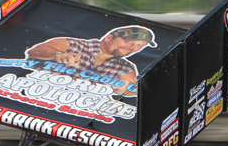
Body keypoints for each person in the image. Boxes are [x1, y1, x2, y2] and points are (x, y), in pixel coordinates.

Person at [25, 25, 157, 96]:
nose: (133, 47)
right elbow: (36, 51)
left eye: (140, 45)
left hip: (78, 113)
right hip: (38, 98)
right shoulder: (73, 44)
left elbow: (133, 88)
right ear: (109, 37)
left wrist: (124, 88)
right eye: (128, 41)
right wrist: (56, 54)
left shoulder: (126, 67)